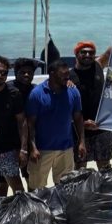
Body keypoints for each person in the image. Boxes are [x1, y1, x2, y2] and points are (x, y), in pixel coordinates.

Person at [25, 59, 85, 189]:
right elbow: (30, 124)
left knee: (65, 186)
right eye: (62, 74)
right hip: (42, 149)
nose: (66, 77)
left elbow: (78, 118)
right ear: (51, 74)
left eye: (67, 74)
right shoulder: (36, 94)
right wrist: (33, 147)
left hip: (66, 148)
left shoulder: (73, 91)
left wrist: (81, 142)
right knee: (36, 188)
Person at [0, 56, 26, 197]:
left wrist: (23, 149)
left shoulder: (14, 93)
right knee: (12, 187)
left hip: (8, 148)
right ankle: (14, 216)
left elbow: (22, 122)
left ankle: (7, 216)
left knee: (8, 185)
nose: (0, 76)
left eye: (4, 73)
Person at [70, 41, 112, 170]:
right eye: (83, 52)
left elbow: (111, 50)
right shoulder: (68, 77)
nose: (88, 55)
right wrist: (82, 123)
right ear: (76, 54)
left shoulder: (99, 65)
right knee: (80, 170)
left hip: (102, 127)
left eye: (91, 52)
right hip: (79, 131)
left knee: (105, 169)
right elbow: (63, 107)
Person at [12, 58, 38, 190]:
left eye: (30, 72)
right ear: (16, 73)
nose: (26, 75)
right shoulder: (7, 88)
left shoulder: (36, 90)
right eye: (23, 72)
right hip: (10, 142)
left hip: (30, 142)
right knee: (4, 182)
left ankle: (32, 207)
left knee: (31, 179)